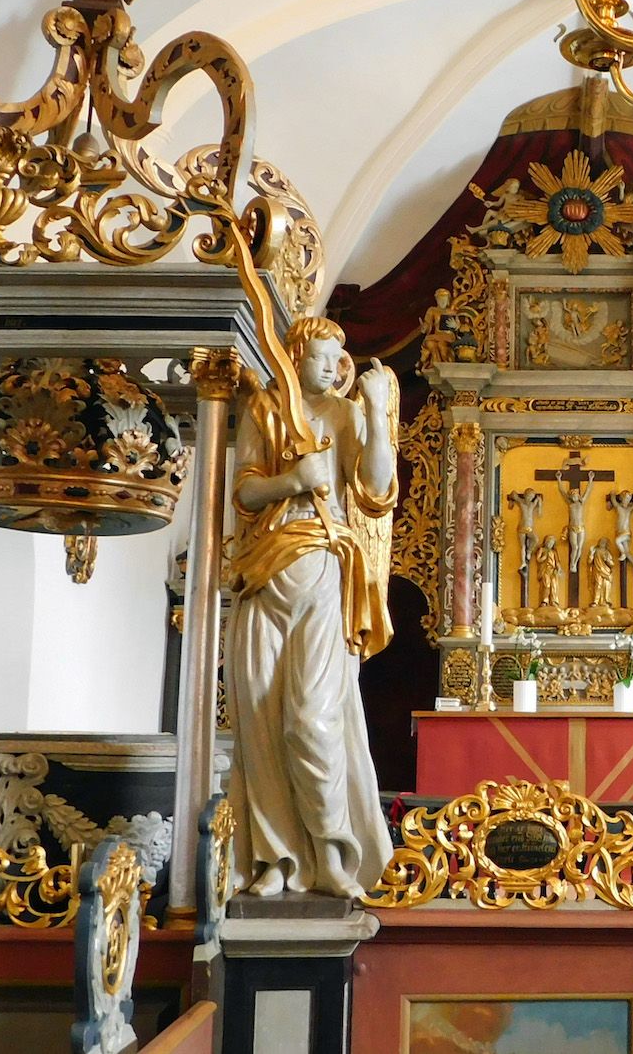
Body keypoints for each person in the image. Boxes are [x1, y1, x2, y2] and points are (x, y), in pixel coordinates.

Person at [225, 317, 398, 899]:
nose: (331, 367)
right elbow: (245, 491)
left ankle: (331, 853)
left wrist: (377, 414)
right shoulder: (265, 409)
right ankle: (277, 859)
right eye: (319, 357)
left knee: (311, 720)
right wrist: (292, 480)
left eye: (335, 359)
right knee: (261, 721)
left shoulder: (345, 414)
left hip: (324, 562)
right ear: (294, 356)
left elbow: (375, 491)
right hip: (264, 570)